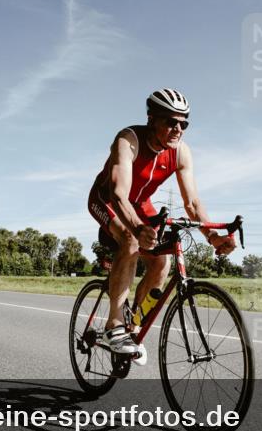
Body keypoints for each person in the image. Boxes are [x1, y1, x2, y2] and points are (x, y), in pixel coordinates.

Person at [87, 89, 236, 354]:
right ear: (151, 118)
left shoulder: (181, 152)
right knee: (130, 241)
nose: (178, 128)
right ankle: (114, 323)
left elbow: (192, 204)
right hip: (106, 200)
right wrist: (136, 228)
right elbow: (118, 193)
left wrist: (212, 237)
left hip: (141, 205)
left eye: (184, 123)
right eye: (171, 121)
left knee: (161, 261)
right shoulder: (128, 140)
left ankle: (134, 325)